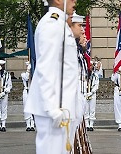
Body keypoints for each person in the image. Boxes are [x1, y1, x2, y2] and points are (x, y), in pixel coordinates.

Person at [24, 0, 78, 154]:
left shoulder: (60, 24)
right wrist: (52, 109)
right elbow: (46, 68)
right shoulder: (52, 24)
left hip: (63, 109)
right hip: (54, 111)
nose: (75, 1)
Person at [0, 60, 12, 132]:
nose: (2, 67)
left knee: (4, 108)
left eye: (3, 66)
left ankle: (3, 125)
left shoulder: (7, 74)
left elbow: (9, 85)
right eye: (0, 65)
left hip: (4, 92)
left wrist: (6, 91)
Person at [85, 61, 99, 131]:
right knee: (86, 109)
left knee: (92, 109)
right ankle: (87, 124)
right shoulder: (84, 75)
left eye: (91, 66)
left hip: (92, 94)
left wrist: (92, 92)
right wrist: (85, 92)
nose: (90, 67)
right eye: (89, 66)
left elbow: (96, 85)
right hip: (85, 94)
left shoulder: (95, 76)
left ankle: (91, 124)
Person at [21, 61, 35, 131]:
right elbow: (26, 78)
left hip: (32, 92)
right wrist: (28, 71)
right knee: (26, 108)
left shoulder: (34, 75)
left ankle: (32, 124)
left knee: (33, 108)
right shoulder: (23, 74)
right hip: (26, 91)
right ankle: (28, 125)